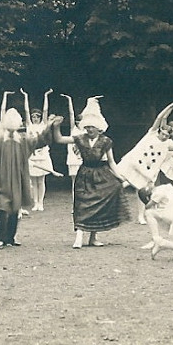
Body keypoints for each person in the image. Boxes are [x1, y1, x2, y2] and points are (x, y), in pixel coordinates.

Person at [0, 107, 62, 249]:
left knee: (15, 207)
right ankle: (0, 239)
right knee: (2, 208)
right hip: (0, 178)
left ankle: (10, 238)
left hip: (18, 177)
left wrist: (50, 125)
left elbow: (41, 140)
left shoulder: (23, 139)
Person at [51, 97, 130, 249]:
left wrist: (119, 176)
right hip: (85, 174)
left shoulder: (106, 141)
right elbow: (59, 139)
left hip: (101, 174)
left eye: (91, 127)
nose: (88, 130)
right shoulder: (80, 138)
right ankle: (79, 236)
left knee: (98, 205)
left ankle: (93, 237)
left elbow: (111, 161)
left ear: (98, 127)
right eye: (87, 127)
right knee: (82, 204)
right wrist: (56, 126)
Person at [116, 100, 173, 224]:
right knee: (117, 181)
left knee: (142, 189)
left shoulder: (167, 143)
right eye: (163, 133)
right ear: (159, 131)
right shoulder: (151, 134)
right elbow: (161, 117)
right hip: (133, 162)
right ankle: (107, 200)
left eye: (167, 134)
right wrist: (171, 106)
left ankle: (141, 215)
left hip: (147, 169)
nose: (164, 136)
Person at [22, 88, 62, 212]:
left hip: (43, 154)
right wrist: (25, 96)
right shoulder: (29, 126)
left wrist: (46, 95)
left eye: (37, 116)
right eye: (33, 117)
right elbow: (26, 111)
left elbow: (45, 111)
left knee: (41, 180)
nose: (35, 118)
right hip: (32, 156)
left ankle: (41, 202)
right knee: (33, 180)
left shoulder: (43, 125)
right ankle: (35, 203)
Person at [59, 94, 85, 186]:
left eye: (81, 121)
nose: (79, 123)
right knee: (74, 182)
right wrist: (69, 100)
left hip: (84, 160)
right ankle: (75, 200)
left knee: (84, 182)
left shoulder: (87, 131)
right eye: (77, 121)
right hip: (73, 158)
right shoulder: (73, 129)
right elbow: (71, 114)